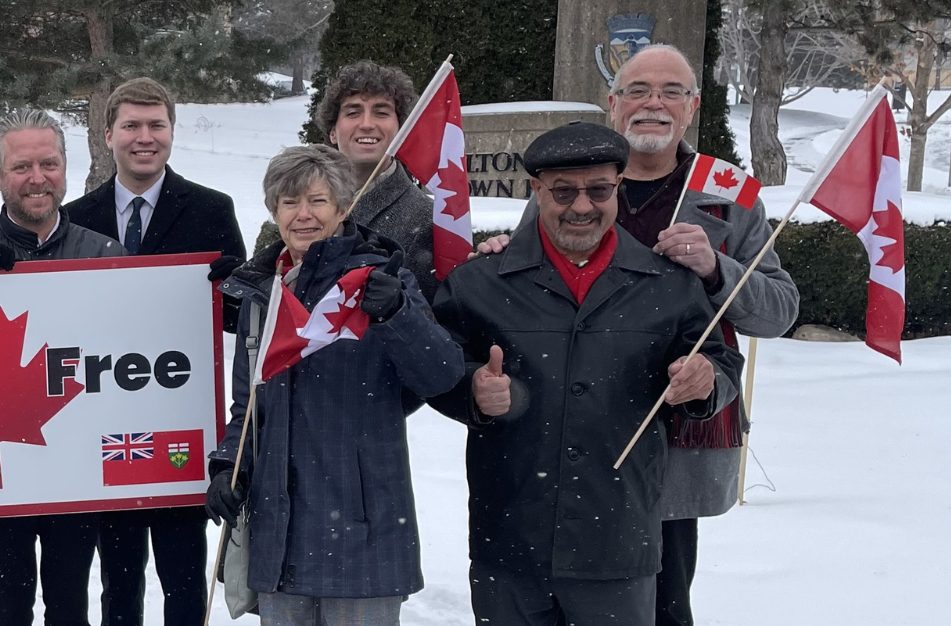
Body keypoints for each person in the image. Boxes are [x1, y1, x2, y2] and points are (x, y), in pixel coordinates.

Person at [476, 45, 799, 625]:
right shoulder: (576, 180)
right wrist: (507, 257)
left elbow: (778, 312)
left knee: (665, 598)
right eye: (637, 90)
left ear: (693, 105)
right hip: (572, 427)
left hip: (676, 427)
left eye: (671, 91)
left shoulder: (730, 193)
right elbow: (529, 271)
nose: (653, 103)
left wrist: (716, 269)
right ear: (613, 102)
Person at [428, 121, 745, 626]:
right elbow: (436, 365)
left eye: (599, 189)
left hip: (618, 540)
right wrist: (470, 392)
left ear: (618, 187)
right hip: (509, 541)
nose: (582, 206)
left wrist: (707, 379)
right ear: (536, 191)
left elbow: (722, 360)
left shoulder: (668, 284)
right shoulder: (479, 282)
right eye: (563, 191)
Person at [204, 145, 464, 626]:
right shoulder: (262, 293)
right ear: (273, 212)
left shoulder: (380, 280)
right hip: (278, 536)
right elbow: (249, 404)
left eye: (318, 201)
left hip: (363, 534)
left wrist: (397, 314)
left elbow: (442, 374)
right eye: (289, 202)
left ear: (343, 207)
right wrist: (227, 464)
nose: (303, 215)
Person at [0, 109, 123, 626]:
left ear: (65, 168)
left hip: (74, 470)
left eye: (49, 164)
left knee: (69, 609)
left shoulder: (105, 255)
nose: (37, 178)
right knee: (7, 611)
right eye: (22, 167)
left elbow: (127, 361)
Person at [59, 77, 245, 626]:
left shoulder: (212, 209)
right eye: (132, 126)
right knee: (119, 577)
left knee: (184, 576)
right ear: (109, 133)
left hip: (180, 421)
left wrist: (231, 286)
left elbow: (237, 315)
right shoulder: (78, 216)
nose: (145, 137)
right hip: (105, 420)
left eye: (156, 125)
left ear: (171, 130)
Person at [307, 60, 440, 300]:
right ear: (332, 131)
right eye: (353, 112)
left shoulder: (428, 220)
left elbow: (438, 327)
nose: (367, 124)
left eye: (381, 112)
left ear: (401, 129)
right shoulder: (301, 208)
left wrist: (396, 308)